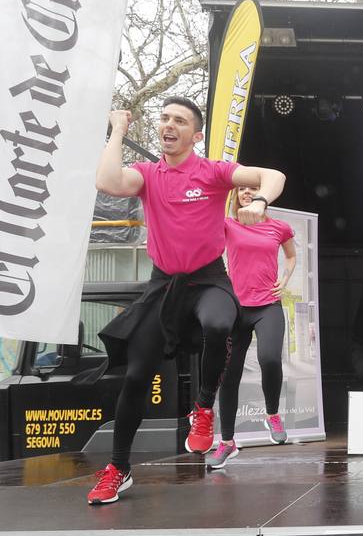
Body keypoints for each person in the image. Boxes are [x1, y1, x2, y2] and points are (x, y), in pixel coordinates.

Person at [88, 99, 285, 504]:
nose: (168, 125)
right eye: (164, 119)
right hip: (164, 287)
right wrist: (118, 130)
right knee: (137, 377)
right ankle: (119, 468)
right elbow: (107, 182)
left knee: (217, 324)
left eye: (179, 120)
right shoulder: (145, 175)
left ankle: (203, 406)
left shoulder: (212, 172)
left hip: (209, 281)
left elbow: (272, 174)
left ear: (195, 135)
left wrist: (262, 201)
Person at [205, 185, 298, 470]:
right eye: (242, 189)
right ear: (236, 196)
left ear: (263, 195)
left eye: (253, 189)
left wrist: (286, 277)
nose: (247, 192)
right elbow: (204, 240)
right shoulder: (228, 225)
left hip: (267, 305)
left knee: (269, 359)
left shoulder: (279, 227)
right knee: (229, 376)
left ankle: (272, 414)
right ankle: (227, 442)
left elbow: (291, 256)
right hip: (236, 309)